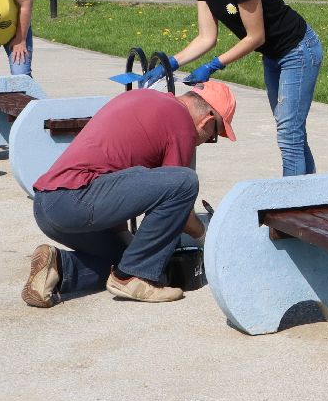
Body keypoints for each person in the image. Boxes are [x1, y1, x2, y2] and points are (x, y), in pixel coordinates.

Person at [24, 81, 238, 307]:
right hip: (77, 200)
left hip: (48, 206)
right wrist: (207, 237)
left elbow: (114, 173)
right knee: (185, 181)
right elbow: (181, 204)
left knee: (129, 259)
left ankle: (58, 265)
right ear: (208, 119)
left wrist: (129, 242)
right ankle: (134, 278)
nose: (205, 142)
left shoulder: (144, 99)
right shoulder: (181, 121)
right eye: (214, 135)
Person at [164, 0, 323, 176]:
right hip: (274, 56)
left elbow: (256, 37)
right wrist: (170, 64)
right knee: (291, 129)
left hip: (298, 50)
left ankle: (294, 206)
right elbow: (206, 37)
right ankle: (310, 196)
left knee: (288, 131)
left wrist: (213, 66)